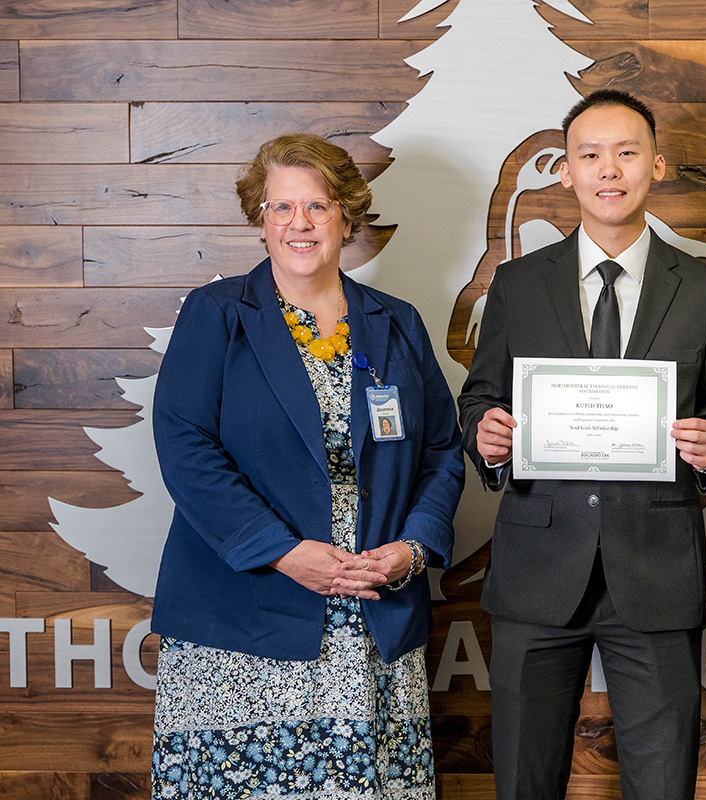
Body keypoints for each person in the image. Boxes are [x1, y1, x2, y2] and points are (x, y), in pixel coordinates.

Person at [150, 134, 464, 799]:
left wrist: (413, 548)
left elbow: (440, 448)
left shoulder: (397, 323)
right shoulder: (217, 315)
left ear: (346, 218)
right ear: (260, 219)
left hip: (371, 611)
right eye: (281, 207)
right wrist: (282, 551)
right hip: (245, 615)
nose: (300, 223)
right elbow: (186, 446)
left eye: (317, 207)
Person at [457, 90, 706, 800]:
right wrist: (487, 437)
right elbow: (480, 398)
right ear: (567, 172)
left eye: (627, 152)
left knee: (662, 782)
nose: (609, 170)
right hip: (536, 569)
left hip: (654, 573)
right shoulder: (519, 284)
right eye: (590, 155)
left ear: (656, 164)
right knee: (525, 779)